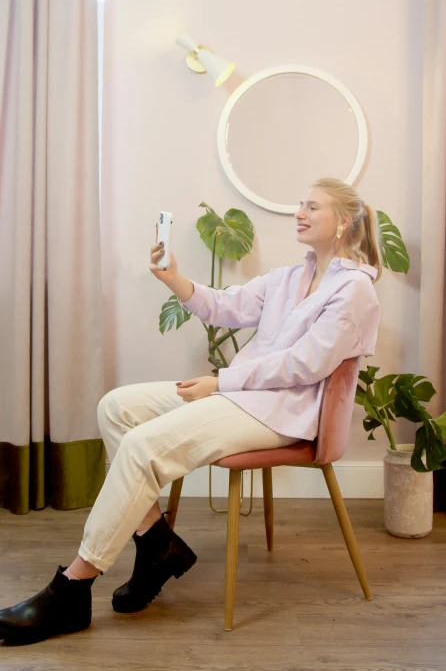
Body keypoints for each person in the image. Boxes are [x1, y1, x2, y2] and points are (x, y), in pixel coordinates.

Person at [0, 178, 381, 645]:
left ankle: (73, 588)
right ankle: (156, 544)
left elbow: (306, 366)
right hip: (242, 397)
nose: (299, 212)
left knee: (143, 446)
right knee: (117, 408)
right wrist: (173, 277)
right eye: (301, 204)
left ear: (342, 223)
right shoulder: (289, 277)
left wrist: (220, 382)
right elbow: (223, 306)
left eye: (312, 207)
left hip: (280, 414)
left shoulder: (355, 291)